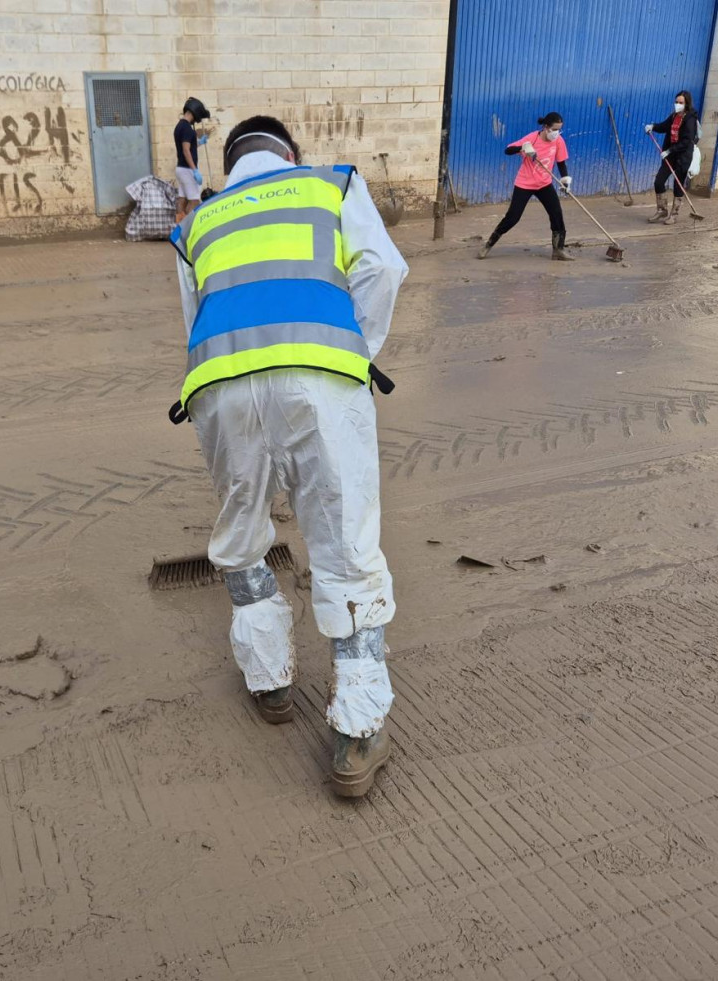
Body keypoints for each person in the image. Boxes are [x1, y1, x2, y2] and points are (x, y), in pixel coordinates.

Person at [171, 115, 408, 798]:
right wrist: (351, 349)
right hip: (318, 377)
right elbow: (381, 269)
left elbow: (195, 318)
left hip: (218, 384)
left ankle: (269, 682)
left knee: (242, 531)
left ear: (230, 162)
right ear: (289, 154)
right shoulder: (328, 185)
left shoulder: (197, 222)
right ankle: (357, 734)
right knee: (343, 540)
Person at [477, 112, 574, 261]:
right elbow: (508, 150)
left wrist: (565, 181)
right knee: (512, 218)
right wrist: (523, 148)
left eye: (559, 130)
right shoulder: (532, 138)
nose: (556, 133)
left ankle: (558, 250)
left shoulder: (559, 141)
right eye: (554, 129)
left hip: (544, 184)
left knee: (557, 215)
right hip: (525, 184)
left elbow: (561, 163)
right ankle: (488, 245)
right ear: (546, 127)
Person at [645, 91, 699, 224]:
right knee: (659, 181)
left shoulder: (690, 119)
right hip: (670, 155)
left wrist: (670, 150)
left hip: (682, 156)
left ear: (686, 104)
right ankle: (662, 210)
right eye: (676, 102)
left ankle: (674, 215)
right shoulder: (674, 116)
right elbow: (664, 126)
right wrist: (653, 126)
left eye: (681, 102)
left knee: (677, 185)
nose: (678, 104)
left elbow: (687, 140)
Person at [174, 97, 210, 221]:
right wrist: (194, 170)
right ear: (195, 113)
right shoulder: (187, 129)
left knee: (182, 198)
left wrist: (199, 142)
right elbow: (186, 150)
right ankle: (189, 229)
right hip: (188, 169)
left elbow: (188, 145)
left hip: (180, 168)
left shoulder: (179, 126)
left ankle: (178, 228)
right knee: (194, 200)